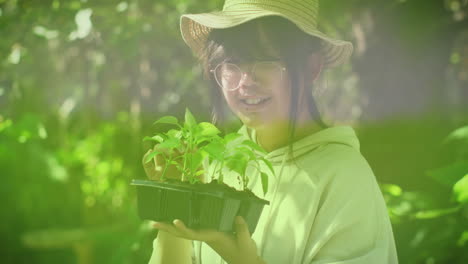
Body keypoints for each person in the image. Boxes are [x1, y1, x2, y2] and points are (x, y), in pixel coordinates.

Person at [143, 0, 399, 263]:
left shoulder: (344, 176)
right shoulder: (220, 164)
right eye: (231, 64)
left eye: (265, 61)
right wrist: (173, 201)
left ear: (311, 68)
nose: (245, 82)